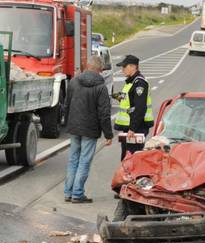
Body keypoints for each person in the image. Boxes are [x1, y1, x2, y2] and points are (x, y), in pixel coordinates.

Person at [64, 56, 113, 204]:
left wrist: (68, 123)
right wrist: (108, 134)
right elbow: (104, 113)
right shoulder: (101, 87)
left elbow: (67, 104)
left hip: (74, 127)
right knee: (84, 162)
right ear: (99, 69)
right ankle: (77, 194)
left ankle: (68, 192)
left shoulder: (73, 82)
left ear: (87, 66)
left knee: (73, 160)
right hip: (90, 130)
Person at [113, 55, 154, 160]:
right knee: (127, 156)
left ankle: (132, 176)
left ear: (133, 67)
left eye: (124, 67)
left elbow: (140, 108)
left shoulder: (139, 83)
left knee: (131, 158)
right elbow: (129, 98)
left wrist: (132, 128)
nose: (122, 70)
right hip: (130, 127)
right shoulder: (131, 82)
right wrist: (116, 96)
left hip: (137, 128)